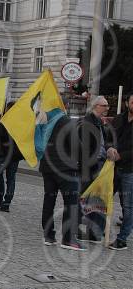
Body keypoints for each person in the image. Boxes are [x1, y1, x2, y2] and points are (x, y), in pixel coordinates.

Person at [40, 115, 85, 250]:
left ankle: (48, 235)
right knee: (71, 203)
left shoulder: (44, 120)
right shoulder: (65, 121)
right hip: (65, 169)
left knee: (49, 201)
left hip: (47, 167)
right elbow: (76, 146)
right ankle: (68, 238)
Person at [77, 95, 114, 243]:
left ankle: (95, 233)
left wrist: (109, 149)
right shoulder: (86, 122)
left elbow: (104, 143)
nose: (107, 108)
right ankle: (76, 227)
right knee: (84, 198)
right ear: (96, 106)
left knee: (98, 200)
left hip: (101, 165)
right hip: (89, 167)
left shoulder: (100, 123)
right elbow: (82, 147)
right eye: (104, 106)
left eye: (107, 106)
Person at [107, 93, 133, 250]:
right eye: (132, 102)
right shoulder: (118, 119)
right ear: (127, 103)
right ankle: (97, 231)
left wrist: (120, 156)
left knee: (127, 206)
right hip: (112, 168)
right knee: (103, 199)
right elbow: (108, 136)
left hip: (130, 170)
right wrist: (109, 147)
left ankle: (122, 239)